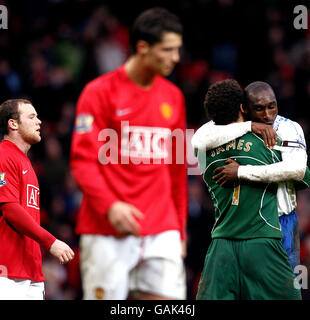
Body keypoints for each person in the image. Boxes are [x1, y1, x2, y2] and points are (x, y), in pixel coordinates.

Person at [70, 7, 187, 300]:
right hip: (106, 228)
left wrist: (180, 229)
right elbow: (83, 161)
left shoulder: (174, 97)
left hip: (162, 227)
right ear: (143, 48)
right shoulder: (98, 92)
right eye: (168, 50)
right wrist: (111, 206)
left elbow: (177, 169)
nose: (176, 58)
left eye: (178, 49)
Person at [194, 79, 302, 299]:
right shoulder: (266, 143)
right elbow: (302, 173)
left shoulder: (203, 151)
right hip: (264, 238)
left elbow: (197, 140)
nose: (267, 115)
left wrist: (241, 170)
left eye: (272, 106)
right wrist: (249, 129)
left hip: (221, 244)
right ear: (243, 108)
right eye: (260, 108)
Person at [0, 99, 75, 300]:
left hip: (31, 273)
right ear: (13, 124)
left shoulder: (26, 164)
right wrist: (51, 241)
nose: (39, 122)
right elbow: (10, 209)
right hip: (1, 270)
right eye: (32, 117)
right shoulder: (0, 157)